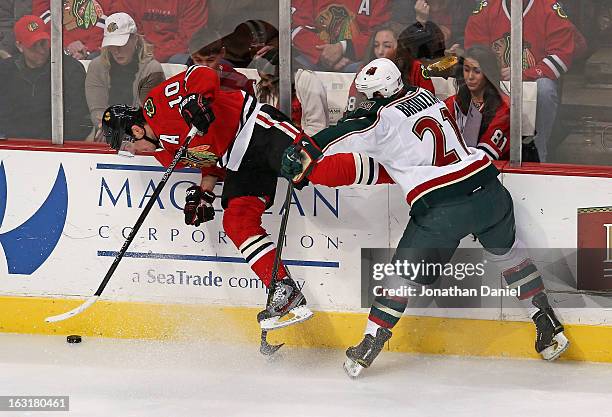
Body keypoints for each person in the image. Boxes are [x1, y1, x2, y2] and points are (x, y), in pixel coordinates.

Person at [280, 58, 569, 377]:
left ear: (378, 94)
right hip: (489, 191)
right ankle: (547, 323)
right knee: (510, 254)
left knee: (399, 274)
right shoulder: (426, 96)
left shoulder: (380, 119)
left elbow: (343, 134)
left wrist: (304, 150)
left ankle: (370, 342)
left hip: (443, 208)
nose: (366, 101)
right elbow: (386, 160)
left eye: (368, 96)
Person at [100, 64, 313, 330]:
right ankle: (284, 289)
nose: (134, 149)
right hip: (239, 161)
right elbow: (210, 161)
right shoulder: (164, 154)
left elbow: (201, 73)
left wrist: (194, 99)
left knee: (317, 171)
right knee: (237, 223)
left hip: (255, 129)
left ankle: (380, 168)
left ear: (137, 131)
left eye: (128, 143)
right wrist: (204, 193)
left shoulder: (157, 104)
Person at [464, 0, 579, 162]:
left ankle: (540, 152)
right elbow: (474, 51)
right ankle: (477, 153)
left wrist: (524, 74)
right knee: (471, 83)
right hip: (495, 79)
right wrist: (493, 74)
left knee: (545, 89)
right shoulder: (488, 7)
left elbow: (562, 56)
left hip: (534, 80)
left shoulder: (548, 7)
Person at [0, 15, 91, 140]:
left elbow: (80, 118)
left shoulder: (70, 69)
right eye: (33, 46)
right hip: (13, 144)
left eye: (43, 43)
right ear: (19, 46)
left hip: (60, 145)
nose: (41, 50)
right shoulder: (5, 71)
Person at [85, 12, 164, 138]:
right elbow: (97, 110)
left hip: (141, 136)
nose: (116, 51)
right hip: (105, 132)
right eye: (112, 45)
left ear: (135, 39)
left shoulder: (152, 69)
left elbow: (147, 114)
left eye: (121, 44)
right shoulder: (96, 67)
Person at [346, 23, 436, 113]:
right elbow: (352, 105)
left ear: (400, 47)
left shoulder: (415, 67)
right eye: (376, 45)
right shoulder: (366, 69)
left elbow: (430, 104)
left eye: (387, 46)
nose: (380, 51)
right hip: (372, 122)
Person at [445, 45, 510, 160]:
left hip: (492, 172)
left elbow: (484, 158)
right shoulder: (454, 102)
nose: (470, 77)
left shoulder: (504, 108)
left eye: (477, 71)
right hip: (456, 167)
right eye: (466, 70)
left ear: (488, 73)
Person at [291, 0, 391, 72]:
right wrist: (324, 55)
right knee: (295, 66)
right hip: (313, 61)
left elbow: (380, 34)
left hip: (356, 64)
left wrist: (343, 48)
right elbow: (296, 28)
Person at [250, 47, 329, 136]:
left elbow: (317, 127)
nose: (264, 84)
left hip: (302, 144)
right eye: (262, 79)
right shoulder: (265, 89)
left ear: (282, 74)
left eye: (268, 79)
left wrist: (292, 146)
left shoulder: (306, 79)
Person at [111, 0, 208, 63]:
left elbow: (190, 38)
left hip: (176, 55)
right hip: (141, 52)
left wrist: (156, 55)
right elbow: (126, 28)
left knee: (179, 60)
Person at [33, 0, 117, 60]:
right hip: (58, 48)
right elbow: (41, 14)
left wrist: (89, 48)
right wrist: (65, 44)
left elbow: (116, 17)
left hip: (99, 50)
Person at [187, 26, 255, 95]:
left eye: (210, 60)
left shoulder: (239, 82)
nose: (204, 66)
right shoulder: (183, 80)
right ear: (191, 55)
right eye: (198, 60)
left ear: (222, 53)